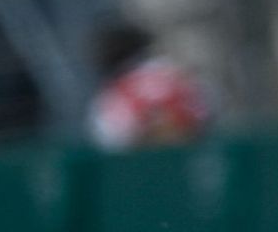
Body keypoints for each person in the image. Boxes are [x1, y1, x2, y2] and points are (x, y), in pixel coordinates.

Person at [87, 19, 214, 150]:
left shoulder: (116, 93)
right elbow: (209, 108)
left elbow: (108, 139)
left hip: (147, 159)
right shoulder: (177, 73)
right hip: (198, 152)